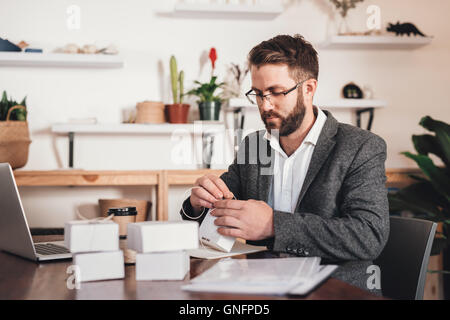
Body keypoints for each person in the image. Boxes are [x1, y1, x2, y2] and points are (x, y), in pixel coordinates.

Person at [180, 34, 389, 294]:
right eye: (257, 94)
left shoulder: (360, 147)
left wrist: (273, 225)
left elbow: (368, 236)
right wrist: (197, 203)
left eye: (276, 92)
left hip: (335, 292)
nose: (265, 105)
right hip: (261, 289)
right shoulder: (254, 146)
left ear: (309, 89)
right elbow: (220, 206)